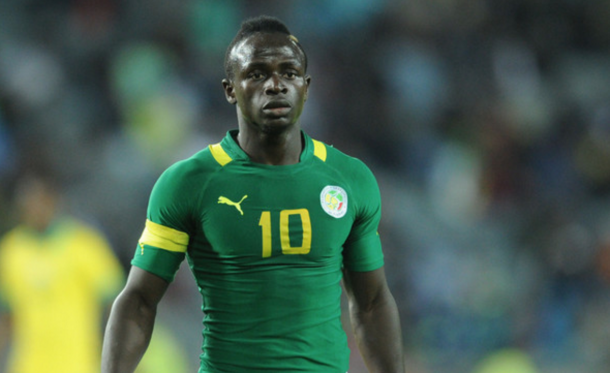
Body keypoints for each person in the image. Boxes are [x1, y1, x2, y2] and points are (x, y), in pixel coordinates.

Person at [102, 15, 405, 373]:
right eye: (257, 73)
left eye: (289, 73)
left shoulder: (350, 179)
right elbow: (138, 301)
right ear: (230, 88)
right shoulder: (189, 183)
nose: (276, 84)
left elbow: (370, 303)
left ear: (306, 86)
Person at [0, 171, 125, 373]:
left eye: (40, 201)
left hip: (79, 364)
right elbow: (5, 316)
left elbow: (115, 303)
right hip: (27, 366)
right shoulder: (10, 252)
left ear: (53, 201)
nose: (35, 209)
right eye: (28, 204)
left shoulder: (84, 244)